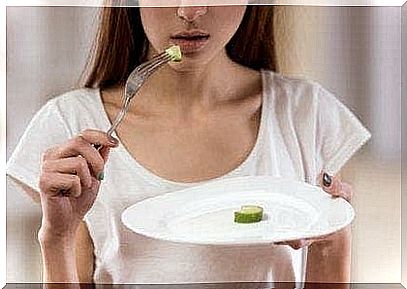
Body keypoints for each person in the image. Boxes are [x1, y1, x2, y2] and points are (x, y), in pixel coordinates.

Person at [6, 3, 371, 287]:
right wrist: (57, 236)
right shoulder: (71, 123)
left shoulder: (307, 114)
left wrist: (332, 240)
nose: (190, 9)